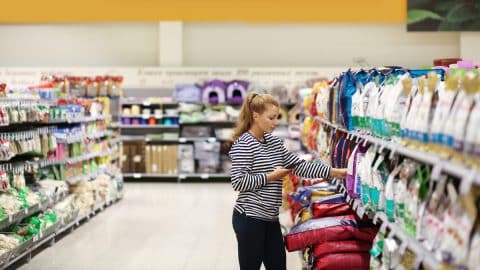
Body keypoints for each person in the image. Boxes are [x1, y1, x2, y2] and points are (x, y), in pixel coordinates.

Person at [229, 92, 348, 270]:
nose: (275, 122)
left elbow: (300, 166)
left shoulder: (274, 142)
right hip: (249, 218)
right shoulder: (244, 144)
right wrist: (272, 176)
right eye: (271, 117)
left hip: (270, 218)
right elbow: (238, 181)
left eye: (276, 117)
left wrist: (336, 172)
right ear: (255, 116)